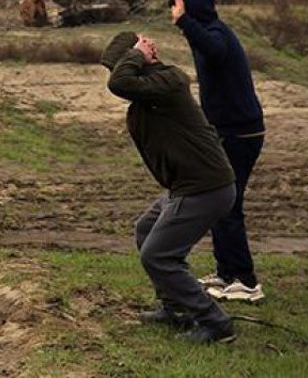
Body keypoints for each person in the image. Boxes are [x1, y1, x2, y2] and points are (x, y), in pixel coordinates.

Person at [102, 31, 238, 344]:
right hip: (187, 186)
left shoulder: (170, 81)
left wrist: (136, 53)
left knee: (158, 255)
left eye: (117, 65)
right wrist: (136, 58)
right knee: (145, 230)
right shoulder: (150, 93)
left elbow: (119, 83)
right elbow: (122, 83)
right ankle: (176, 308)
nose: (113, 74)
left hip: (206, 187)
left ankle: (216, 324)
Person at [169, 0, 266, 303]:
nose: (174, 11)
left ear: (193, 8)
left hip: (240, 132)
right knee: (220, 204)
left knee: (228, 205)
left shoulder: (217, 34)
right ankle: (226, 273)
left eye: (179, 5)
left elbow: (214, 49)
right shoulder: (208, 30)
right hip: (229, 130)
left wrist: (184, 21)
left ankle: (246, 280)